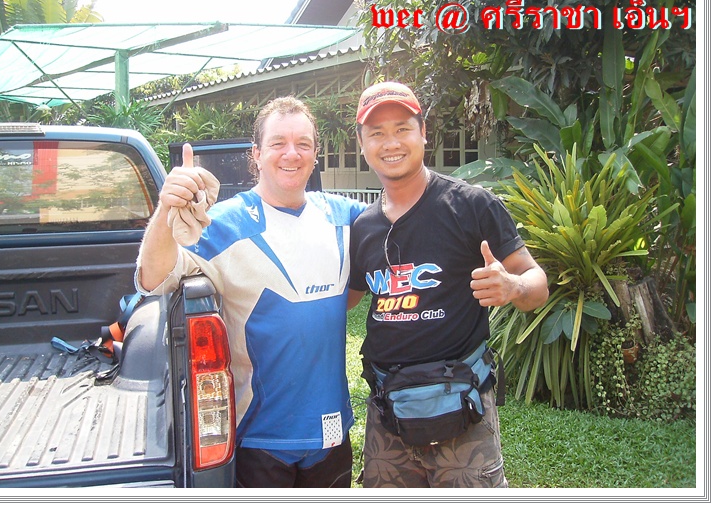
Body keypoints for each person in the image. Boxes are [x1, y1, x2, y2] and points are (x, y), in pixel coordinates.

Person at [136, 96, 365, 488]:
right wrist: (166, 209)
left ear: (316, 154)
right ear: (256, 154)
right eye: (278, 143)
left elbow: (400, 227)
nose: (291, 154)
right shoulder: (224, 224)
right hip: (259, 439)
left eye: (303, 144)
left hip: (331, 433)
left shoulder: (345, 217)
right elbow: (151, 278)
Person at [348, 81, 549, 488]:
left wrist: (513, 287)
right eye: (377, 133)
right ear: (362, 143)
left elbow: (537, 284)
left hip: (462, 405)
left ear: (424, 132)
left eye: (402, 129)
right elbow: (344, 301)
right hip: (388, 411)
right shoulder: (363, 227)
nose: (391, 143)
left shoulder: (471, 205)